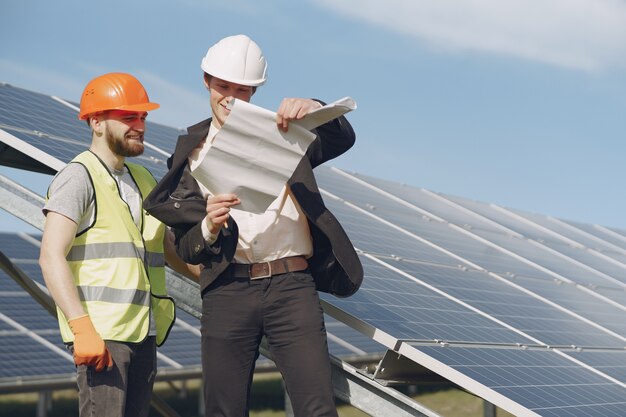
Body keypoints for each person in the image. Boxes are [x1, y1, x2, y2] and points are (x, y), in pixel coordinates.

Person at [143, 34, 364, 416]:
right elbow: (185, 248)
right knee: (223, 410)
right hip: (227, 290)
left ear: (254, 90)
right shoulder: (189, 153)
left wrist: (314, 106)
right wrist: (209, 227)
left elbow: (342, 136)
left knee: (317, 408)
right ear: (206, 82)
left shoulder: (285, 132)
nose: (230, 97)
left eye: (242, 90)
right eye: (223, 86)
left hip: (291, 286)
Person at [39, 72, 199, 417]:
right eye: (128, 116)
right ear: (96, 122)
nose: (139, 125)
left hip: (142, 332)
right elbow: (50, 257)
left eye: (142, 116)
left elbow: (167, 250)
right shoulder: (78, 177)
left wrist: (214, 278)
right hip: (103, 335)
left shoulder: (143, 179)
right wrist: (82, 329)